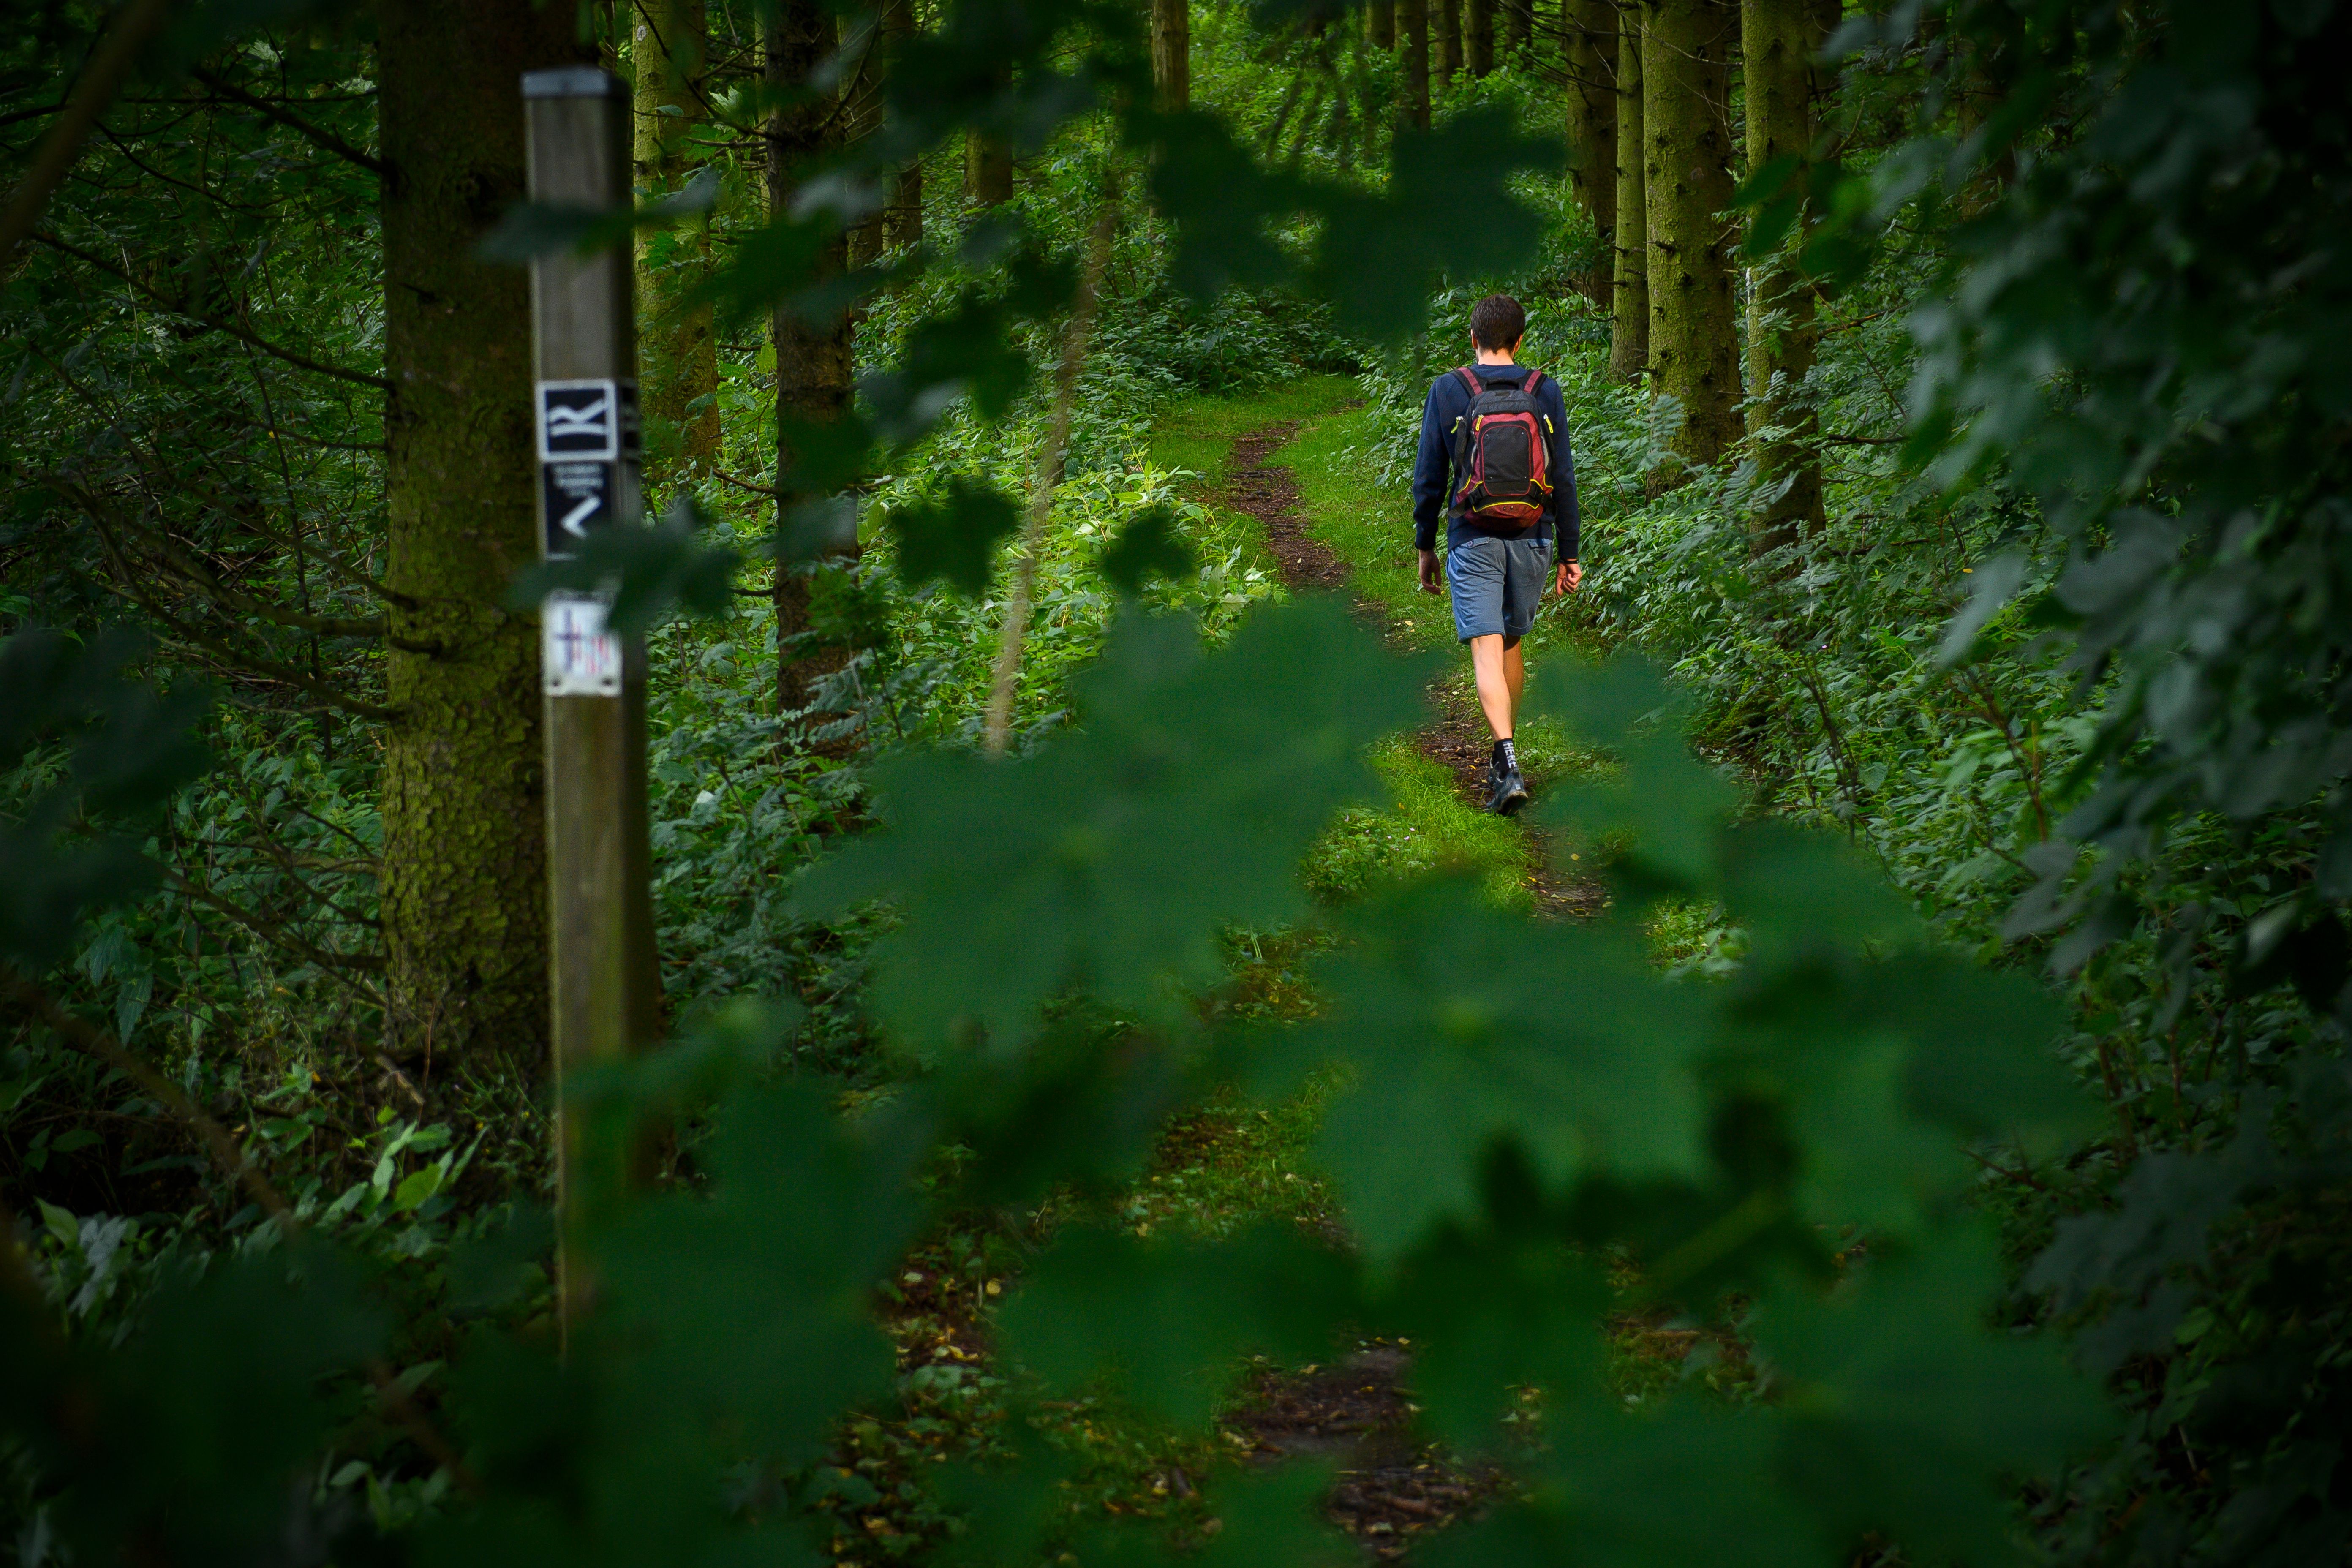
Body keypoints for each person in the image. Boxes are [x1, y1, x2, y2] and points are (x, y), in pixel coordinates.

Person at [1412, 293, 1582, 814]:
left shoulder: (1448, 389)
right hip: (1534, 535)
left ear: (1473, 338)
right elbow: (1563, 478)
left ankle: (1507, 763)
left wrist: (1425, 545)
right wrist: (1568, 555)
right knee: (1509, 643)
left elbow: (1430, 477)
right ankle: (1503, 750)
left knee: (1486, 647)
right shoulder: (1544, 390)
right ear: (1520, 340)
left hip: (1473, 534)